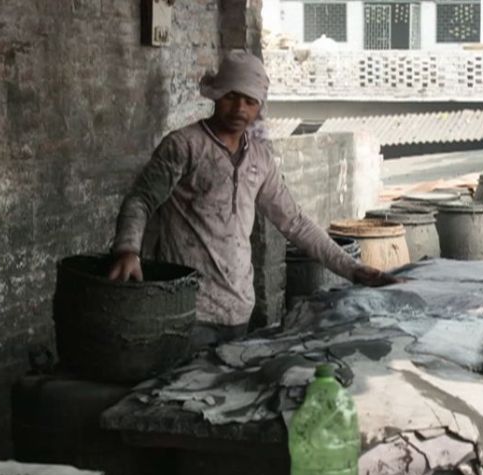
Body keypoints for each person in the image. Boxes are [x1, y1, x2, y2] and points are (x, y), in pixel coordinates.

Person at [108, 51, 397, 346]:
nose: (239, 108)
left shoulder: (260, 158)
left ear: (259, 106)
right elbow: (141, 200)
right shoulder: (184, 146)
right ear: (216, 95)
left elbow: (295, 223)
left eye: (249, 101)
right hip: (186, 310)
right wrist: (127, 249)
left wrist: (352, 269)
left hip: (239, 309)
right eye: (231, 97)